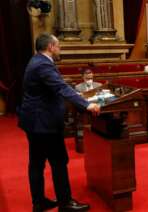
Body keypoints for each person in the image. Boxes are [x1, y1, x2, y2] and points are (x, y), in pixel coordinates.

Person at [17, 33, 100, 212]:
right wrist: (86, 105)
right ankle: (65, 203)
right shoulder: (43, 64)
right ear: (50, 47)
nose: (59, 49)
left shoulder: (37, 61)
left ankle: (39, 203)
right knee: (58, 161)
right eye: (58, 45)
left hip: (35, 121)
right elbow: (60, 87)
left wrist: (76, 96)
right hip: (43, 123)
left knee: (37, 162)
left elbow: (56, 86)